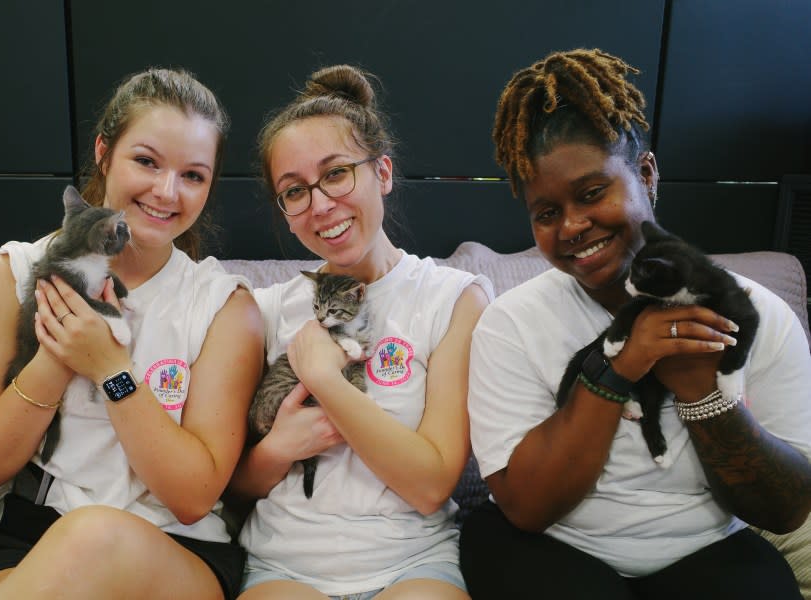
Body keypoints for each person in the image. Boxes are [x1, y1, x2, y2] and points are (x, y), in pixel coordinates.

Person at [460, 48, 811, 599]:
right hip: (554, 548)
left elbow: (787, 508)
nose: (572, 225)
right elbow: (525, 508)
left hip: (705, 550)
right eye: (546, 213)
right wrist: (619, 366)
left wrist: (702, 392)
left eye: (592, 192)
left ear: (645, 174)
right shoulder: (511, 322)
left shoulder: (759, 313)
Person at [0, 68, 264, 600]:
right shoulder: (11, 274)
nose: (166, 191)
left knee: (94, 535)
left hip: (175, 551)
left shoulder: (225, 307)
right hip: (26, 541)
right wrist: (58, 357)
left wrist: (110, 368)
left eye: (193, 175)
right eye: (147, 161)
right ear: (105, 153)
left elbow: (193, 496)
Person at [227, 64, 492, 599]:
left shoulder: (453, 298)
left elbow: (431, 484)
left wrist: (325, 382)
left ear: (384, 173)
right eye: (294, 191)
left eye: (336, 173)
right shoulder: (260, 309)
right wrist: (277, 449)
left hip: (413, 560)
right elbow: (231, 490)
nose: (320, 205)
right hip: (285, 564)